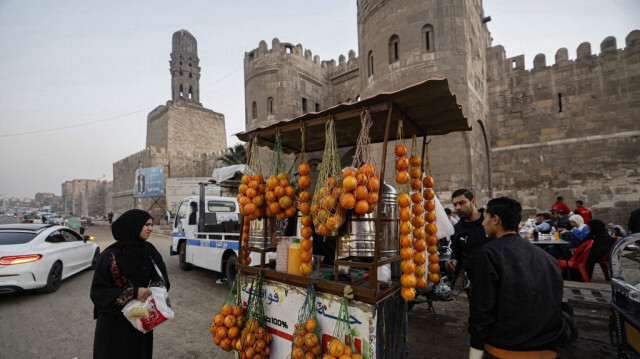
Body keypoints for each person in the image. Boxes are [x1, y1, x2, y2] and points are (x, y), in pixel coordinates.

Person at [468, 197, 564, 358]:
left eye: (485, 219)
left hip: (506, 349)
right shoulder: (547, 258)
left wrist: (476, 348)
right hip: (546, 347)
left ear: (496, 219)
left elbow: (482, 306)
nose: (483, 224)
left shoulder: (489, 253)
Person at [90, 209, 169, 359]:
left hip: (140, 323)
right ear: (133, 225)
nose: (150, 228)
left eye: (151, 225)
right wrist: (133, 293)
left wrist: (152, 291)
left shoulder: (149, 250)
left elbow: (161, 277)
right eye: (146, 224)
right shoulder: (109, 256)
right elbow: (98, 293)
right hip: (114, 326)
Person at [445, 189, 487, 278]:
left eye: (461, 203)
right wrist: (453, 260)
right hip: (471, 281)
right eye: (455, 205)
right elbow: (456, 252)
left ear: (473, 201)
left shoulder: (489, 221)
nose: (457, 208)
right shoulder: (457, 229)